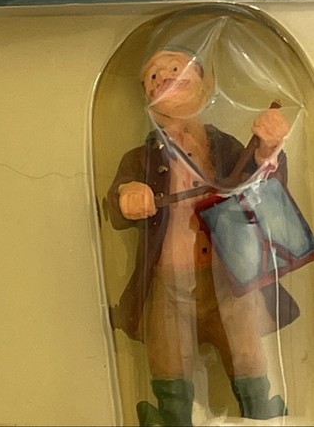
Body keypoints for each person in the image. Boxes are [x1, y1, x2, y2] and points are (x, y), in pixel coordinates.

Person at [107, 45, 293, 426]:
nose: (163, 77)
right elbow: (115, 203)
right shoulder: (141, 158)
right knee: (168, 355)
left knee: (247, 349)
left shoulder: (225, 148)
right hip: (170, 284)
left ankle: (261, 411)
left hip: (229, 280)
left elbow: (260, 190)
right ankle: (172, 415)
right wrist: (127, 195)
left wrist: (268, 149)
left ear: (206, 86)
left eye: (175, 68)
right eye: (153, 77)